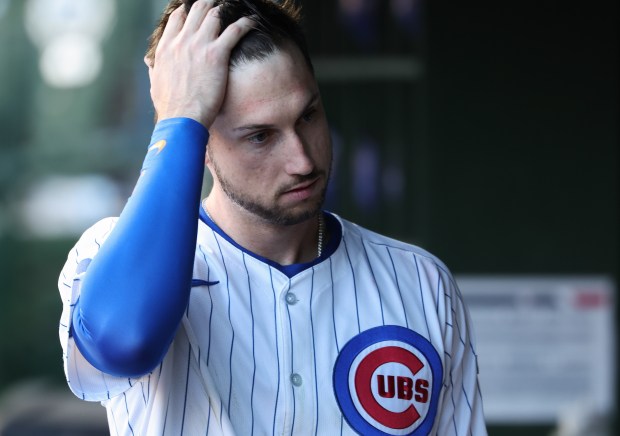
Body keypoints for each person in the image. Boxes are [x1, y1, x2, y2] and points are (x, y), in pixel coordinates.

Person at [58, 0, 487, 434]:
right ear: (202, 145)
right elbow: (121, 343)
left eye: (308, 116)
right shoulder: (108, 253)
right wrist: (179, 121)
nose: (301, 159)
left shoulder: (422, 281)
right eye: (261, 136)